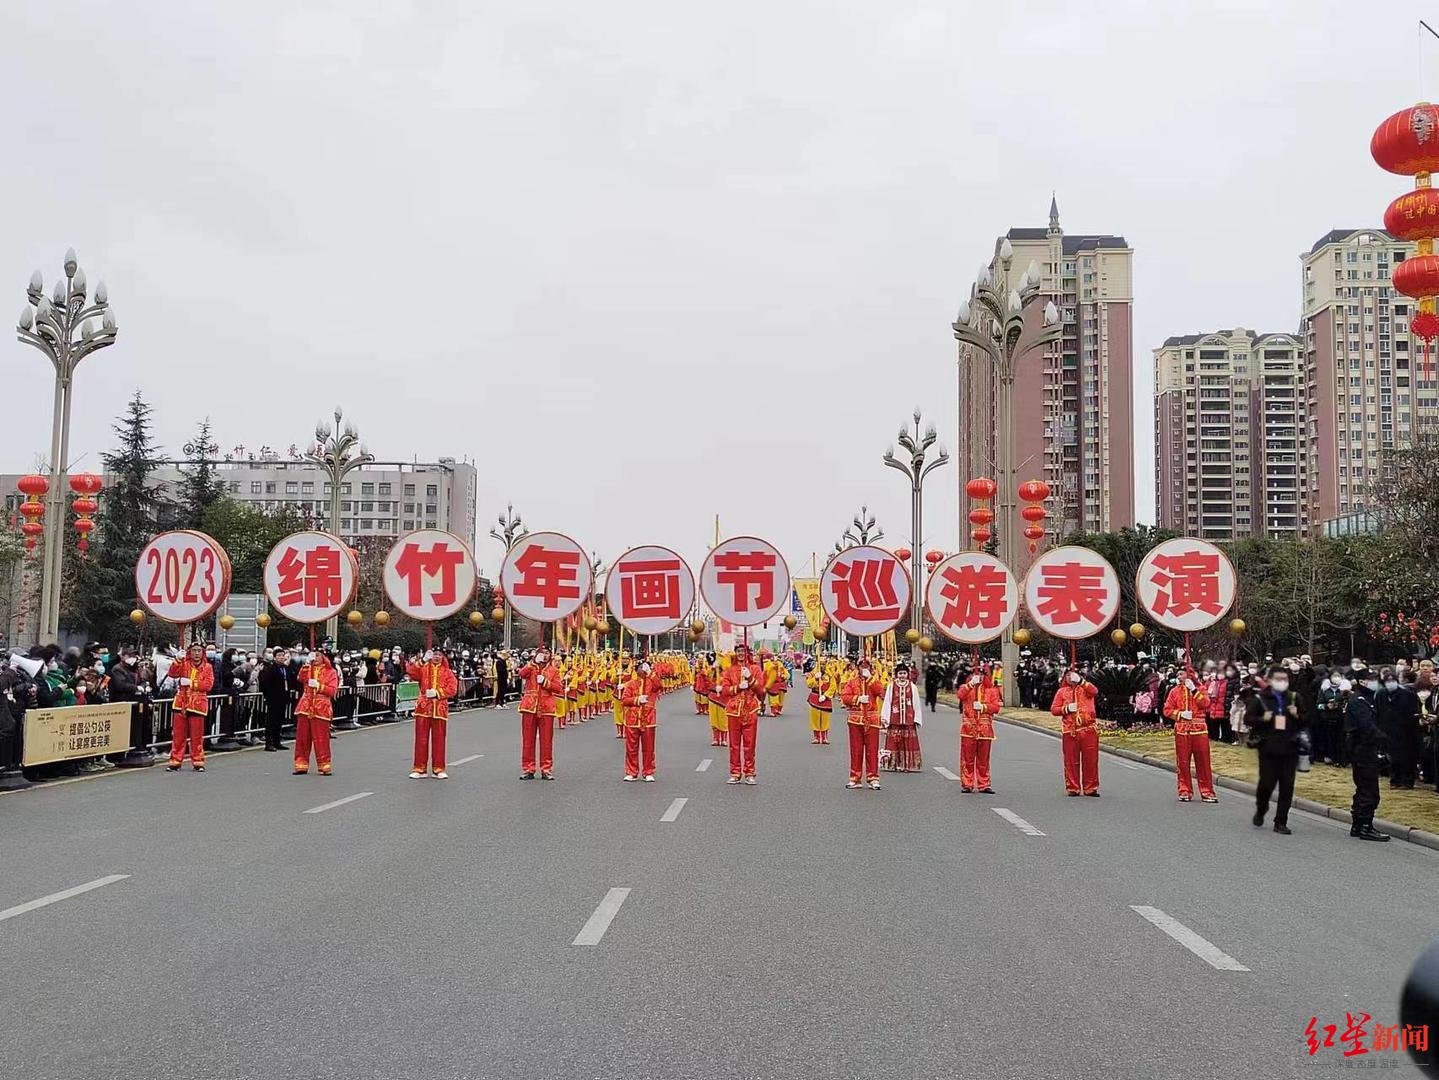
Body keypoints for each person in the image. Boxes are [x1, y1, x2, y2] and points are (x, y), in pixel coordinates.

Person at [1247, 664, 1305, 834]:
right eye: (1278, 679)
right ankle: (1261, 808)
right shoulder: (1261, 699)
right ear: (1270, 680)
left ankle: (1281, 821)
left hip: (1289, 748)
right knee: (1266, 784)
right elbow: (1248, 719)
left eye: (1284, 679)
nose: (1282, 682)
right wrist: (1262, 719)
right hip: (1268, 749)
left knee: (1287, 786)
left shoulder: (1294, 698)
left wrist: (1297, 715)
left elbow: (1308, 720)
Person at [1345, 670, 1391, 841]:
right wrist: (1386, 739)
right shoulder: (1359, 700)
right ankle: (1365, 826)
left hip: (1365, 748)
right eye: (1371, 680)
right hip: (1363, 749)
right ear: (1362, 681)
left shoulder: (1369, 699)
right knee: (1369, 790)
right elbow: (1367, 727)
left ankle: (1358, 825)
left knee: (1364, 788)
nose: (1375, 683)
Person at [1164, 668, 1216, 803]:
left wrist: (1193, 690)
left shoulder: (1201, 689)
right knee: (1182, 762)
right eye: (1178, 674)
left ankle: (1207, 792)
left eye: (1181, 673)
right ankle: (1184, 790)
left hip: (1199, 730)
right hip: (1182, 730)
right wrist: (1180, 715)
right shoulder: (1174, 691)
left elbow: (1205, 704)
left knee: (1203, 762)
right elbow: (1167, 710)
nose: (1179, 676)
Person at [407, 649, 458, 779]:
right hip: (423, 708)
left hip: (439, 709)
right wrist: (422, 660)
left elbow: (452, 688)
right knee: (421, 740)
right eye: (434, 654)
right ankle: (419, 768)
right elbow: (411, 672)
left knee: (439, 740)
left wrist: (438, 693)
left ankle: (438, 768)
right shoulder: (424, 669)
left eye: (439, 655)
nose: (437, 657)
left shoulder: (447, 672)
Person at [720, 643, 765, 785]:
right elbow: (725, 690)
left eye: (743, 651)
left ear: (747, 653)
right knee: (734, 745)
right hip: (734, 711)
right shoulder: (729, 671)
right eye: (738, 651)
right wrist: (738, 687)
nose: (741, 654)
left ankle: (750, 772)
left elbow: (761, 692)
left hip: (750, 709)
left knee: (750, 744)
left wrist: (750, 678)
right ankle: (735, 772)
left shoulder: (755, 669)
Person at [1051, 666, 1100, 797]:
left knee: (1091, 760)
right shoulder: (1062, 692)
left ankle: (1091, 787)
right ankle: (1073, 787)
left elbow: (1095, 691)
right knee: (1071, 761)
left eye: (1073, 675)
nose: (1070, 678)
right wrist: (1066, 709)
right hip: (1070, 730)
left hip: (1088, 729)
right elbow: (1054, 709)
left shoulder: (1086, 689)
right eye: (1068, 675)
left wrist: (1081, 682)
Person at [166, 642, 215, 772]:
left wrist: (191, 683)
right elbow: (172, 673)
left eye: (199, 650)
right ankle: (175, 761)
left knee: (197, 736)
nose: (197, 653)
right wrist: (177, 660)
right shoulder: (184, 663)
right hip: (181, 703)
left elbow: (208, 685)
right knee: (178, 735)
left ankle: (198, 761)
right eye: (194, 650)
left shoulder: (208, 667)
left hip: (197, 705)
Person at [840, 657, 885, 789]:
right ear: (858, 668)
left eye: (866, 666)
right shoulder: (851, 682)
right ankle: (855, 778)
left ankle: (873, 778)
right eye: (861, 666)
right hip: (855, 720)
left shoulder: (874, 681)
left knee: (872, 750)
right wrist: (858, 698)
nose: (864, 668)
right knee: (856, 750)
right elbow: (845, 697)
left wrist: (870, 679)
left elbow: (881, 692)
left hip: (871, 720)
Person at [293, 649, 339, 776]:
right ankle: (301, 765)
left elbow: (332, 691)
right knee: (302, 738)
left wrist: (319, 686)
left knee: (321, 739)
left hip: (321, 708)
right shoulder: (308, 669)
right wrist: (307, 665)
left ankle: (324, 765)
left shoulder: (331, 672)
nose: (316, 657)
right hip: (305, 706)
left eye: (318, 655)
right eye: (314, 655)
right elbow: (300, 678)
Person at [517, 647, 560, 780]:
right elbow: (521, 674)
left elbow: (558, 688)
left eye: (547, 653)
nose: (544, 655)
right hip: (529, 707)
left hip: (546, 707)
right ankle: (528, 768)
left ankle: (546, 769)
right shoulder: (531, 667)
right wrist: (532, 662)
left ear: (550, 655)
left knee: (546, 740)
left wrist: (546, 682)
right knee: (528, 740)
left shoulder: (554, 670)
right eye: (542, 653)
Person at [955, 666, 1000, 793]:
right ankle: (967, 783)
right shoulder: (966, 688)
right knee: (967, 759)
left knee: (983, 760)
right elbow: (960, 695)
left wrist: (983, 707)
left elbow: (996, 707)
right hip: (968, 729)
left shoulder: (991, 690)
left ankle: (984, 784)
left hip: (985, 730)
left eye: (981, 674)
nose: (979, 676)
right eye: (976, 674)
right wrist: (970, 684)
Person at [1377, 667, 1421, 789]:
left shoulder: (1408, 695)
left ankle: (1407, 781)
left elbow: (1414, 713)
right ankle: (1395, 780)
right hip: (1388, 730)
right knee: (1392, 758)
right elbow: (1379, 711)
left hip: (1405, 731)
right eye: (1388, 681)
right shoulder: (1381, 695)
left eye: (1393, 680)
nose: (1390, 683)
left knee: (1406, 757)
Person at [620, 657, 662, 781]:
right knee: (631, 748)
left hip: (648, 719)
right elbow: (624, 700)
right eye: (640, 668)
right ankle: (632, 772)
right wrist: (637, 700)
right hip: (632, 720)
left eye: (645, 668)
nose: (642, 670)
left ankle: (648, 771)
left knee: (648, 749)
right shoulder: (631, 684)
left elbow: (659, 685)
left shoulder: (652, 683)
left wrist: (650, 673)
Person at [882, 662, 925, 774]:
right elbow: (887, 702)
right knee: (894, 742)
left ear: (907, 674)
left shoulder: (913, 687)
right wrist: (885, 718)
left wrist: (917, 718)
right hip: (895, 718)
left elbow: (916, 703)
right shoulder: (891, 686)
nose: (902, 675)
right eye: (900, 673)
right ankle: (894, 764)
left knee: (908, 742)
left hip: (908, 719)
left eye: (904, 673)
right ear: (896, 674)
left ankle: (907, 765)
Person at [805, 658, 836, 746]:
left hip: (825, 698)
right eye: (821, 664)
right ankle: (816, 737)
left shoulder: (830, 675)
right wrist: (815, 678)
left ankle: (825, 737)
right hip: (815, 697)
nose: (822, 666)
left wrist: (825, 695)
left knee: (825, 718)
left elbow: (833, 686)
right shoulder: (812, 674)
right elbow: (809, 684)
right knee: (815, 718)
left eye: (823, 664)